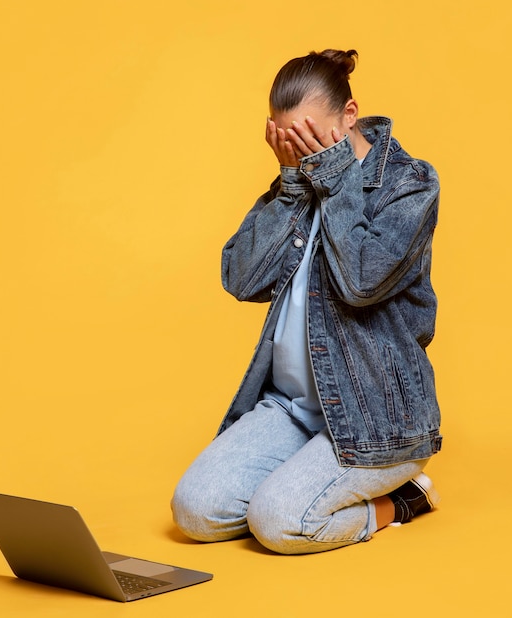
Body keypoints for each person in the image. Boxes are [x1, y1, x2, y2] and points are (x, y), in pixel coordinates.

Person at [171, 49, 442, 554]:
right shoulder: (297, 183)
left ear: (350, 115)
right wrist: (294, 185)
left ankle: (402, 500)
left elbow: (361, 283)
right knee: (195, 510)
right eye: (290, 139)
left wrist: (335, 178)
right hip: (291, 411)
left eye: (313, 136)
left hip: (376, 416)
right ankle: (304, 484)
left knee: (278, 523)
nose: (305, 152)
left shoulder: (410, 183)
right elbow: (240, 278)